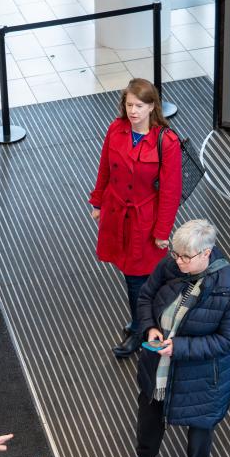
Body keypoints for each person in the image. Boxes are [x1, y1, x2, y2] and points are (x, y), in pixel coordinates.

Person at [112, 220, 230, 457]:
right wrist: (150, 326)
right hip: (160, 363)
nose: (177, 261)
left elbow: (227, 341)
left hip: (203, 376)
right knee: (150, 412)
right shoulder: (172, 266)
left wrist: (178, 347)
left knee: (200, 425)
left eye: (185, 257)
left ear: (206, 253)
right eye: (175, 254)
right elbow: (147, 295)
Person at [89, 78, 182, 359]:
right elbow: (104, 167)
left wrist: (162, 230)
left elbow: (170, 191)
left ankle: (143, 330)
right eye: (129, 105)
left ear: (152, 106)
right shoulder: (115, 129)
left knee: (136, 278)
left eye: (139, 106)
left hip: (146, 221)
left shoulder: (167, 142)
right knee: (133, 276)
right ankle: (145, 321)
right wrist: (97, 202)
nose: (133, 111)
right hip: (117, 215)